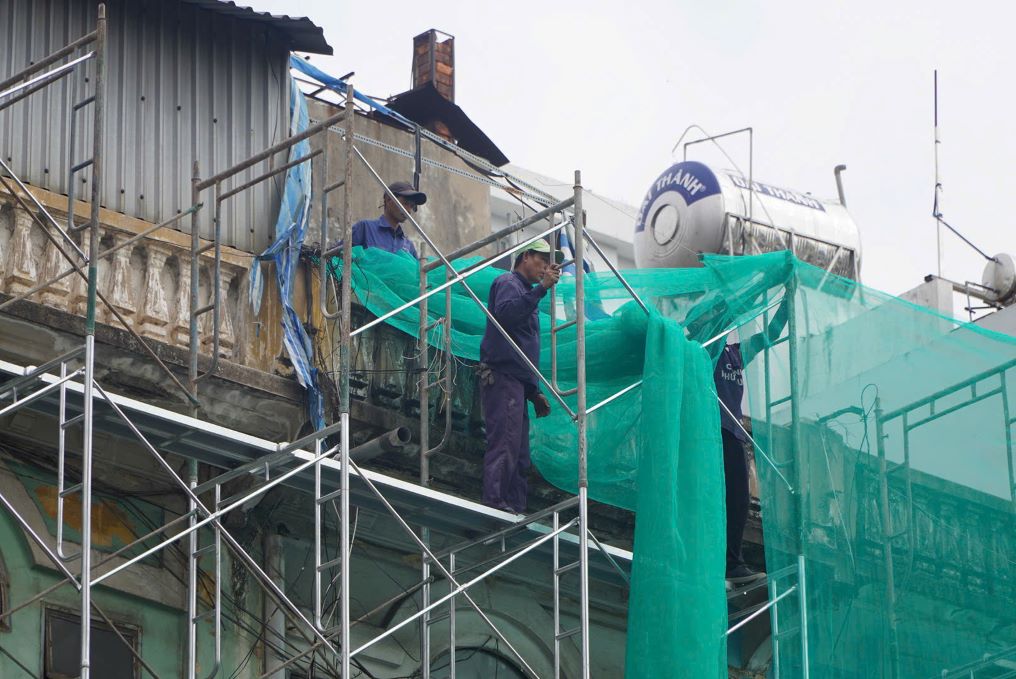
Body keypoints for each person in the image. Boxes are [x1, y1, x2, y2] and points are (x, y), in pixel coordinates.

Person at [477, 239, 561, 513]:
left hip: (516, 384)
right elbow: (506, 316)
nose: (545, 267)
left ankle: (514, 505)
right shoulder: (508, 283)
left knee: (520, 452)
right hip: (502, 377)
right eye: (541, 260)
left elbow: (521, 349)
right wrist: (541, 290)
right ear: (525, 256)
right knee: (506, 442)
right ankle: (496, 503)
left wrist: (533, 391)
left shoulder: (526, 293)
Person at [349, 181, 426, 257]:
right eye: (405, 203)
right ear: (389, 199)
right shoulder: (365, 228)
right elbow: (339, 260)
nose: (409, 210)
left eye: (412, 206)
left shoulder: (408, 246)